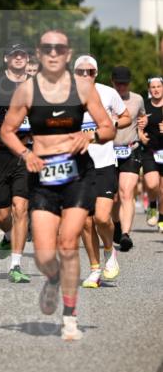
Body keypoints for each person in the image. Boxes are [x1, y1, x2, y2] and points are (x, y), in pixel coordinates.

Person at [0, 31, 114, 342]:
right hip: (43, 176)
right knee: (44, 255)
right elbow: (7, 131)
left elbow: (108, 127)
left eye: (59, 48)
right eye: (47, 48)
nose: (53, 53)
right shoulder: (26, 90)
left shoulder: (83, 88)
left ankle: (70, 317)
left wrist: (89, 136)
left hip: (77, 174)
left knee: (68, 243)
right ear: (39, 52)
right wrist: (25, 154)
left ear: (67, 53)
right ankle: (52, 278)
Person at [73, 56, 129, 288]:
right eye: (81, 71)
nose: (86, 75)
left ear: (96, 73)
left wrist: (112, 124)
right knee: (85, 222)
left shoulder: (107, 93)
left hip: (105, 162)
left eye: (91, 71)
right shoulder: (66, 97)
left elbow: (126, 116)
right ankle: (95, 269)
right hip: (79, 166)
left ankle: (109, 251)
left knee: (101, 217)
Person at [0, 42, 32, 283]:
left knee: (20, 208)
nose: (19, 58)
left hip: (25, 151)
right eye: (14, 55)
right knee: (2, 214)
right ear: (6, 59)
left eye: (22, 54)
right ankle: (9, 236)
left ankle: (16, 264)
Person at [111, 65, 146, 252]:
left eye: (124, 84)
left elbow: (142, 118)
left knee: (127, 192)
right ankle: (116, 224)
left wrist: (143, 125)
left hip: (131, 149)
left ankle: (125, 234)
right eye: (118, 84)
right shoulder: (105, 98)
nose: (121, 88)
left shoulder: (138, 99)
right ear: (112, 82)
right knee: (114, 197)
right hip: (109, 150)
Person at [139, 75, 163, 231]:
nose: (156, 90)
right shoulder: (144, 106)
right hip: (150, 150)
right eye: (153, 87)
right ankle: (152, 203)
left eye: (158, 86)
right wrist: (141, 135)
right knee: (152, 183)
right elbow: (136, 125)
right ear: (149, 90)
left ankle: (161, 218)